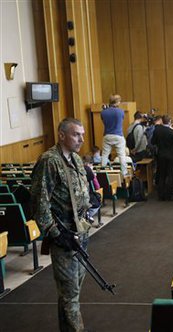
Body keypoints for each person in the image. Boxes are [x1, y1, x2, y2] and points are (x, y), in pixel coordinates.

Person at [30, 118, 91, 332]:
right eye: (76, 134)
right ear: (62, 135)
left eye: (82, 134)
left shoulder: (74, 158)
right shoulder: (49, 161)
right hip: (64, 235)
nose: (81, 139)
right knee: (70, 292)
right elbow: (39, 203)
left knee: (72, 290)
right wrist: (55, 234)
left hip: (81, 232)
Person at [152, 115, 173, 201]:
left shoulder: (157, 130)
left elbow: (153, 142)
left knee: (162, 175)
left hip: (161, 155)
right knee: (170, 176)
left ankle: (161, 195)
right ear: (170, 122)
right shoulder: (172, 132)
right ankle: (169, 195)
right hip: (171, 156)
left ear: (162, 121)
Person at [100, 94, 128, 176]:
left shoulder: (103, 112)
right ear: (117, 102)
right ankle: (124, 173)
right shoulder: (121, 111)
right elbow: (121, 119)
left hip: (107, 135)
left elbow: (103, 120)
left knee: (105, 155)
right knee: (121, 155)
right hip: (118, 135)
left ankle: (102, 172)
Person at [82, 155, 102, 226]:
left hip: (78, 195)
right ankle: (87, 215)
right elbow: (97, 187)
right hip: (87, 195)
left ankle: (86, 215)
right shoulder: (88, 170)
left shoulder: (77, 167)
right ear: (89, 164)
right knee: (98, 201)